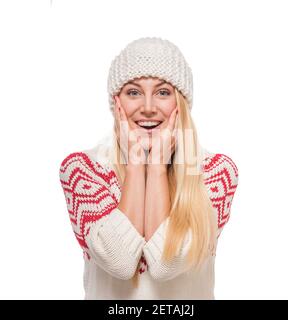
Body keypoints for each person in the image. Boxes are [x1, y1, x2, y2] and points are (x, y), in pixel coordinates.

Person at [59, 37, 239, 300]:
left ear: (181, 104)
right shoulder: (83, 169)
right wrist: (136, 167)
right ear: (116, 102)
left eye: (163, 92)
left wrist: (155, 168)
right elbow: (119, 262)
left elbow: (166, 266)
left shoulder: (216, 172)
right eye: (133, 92)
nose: (148, 107)